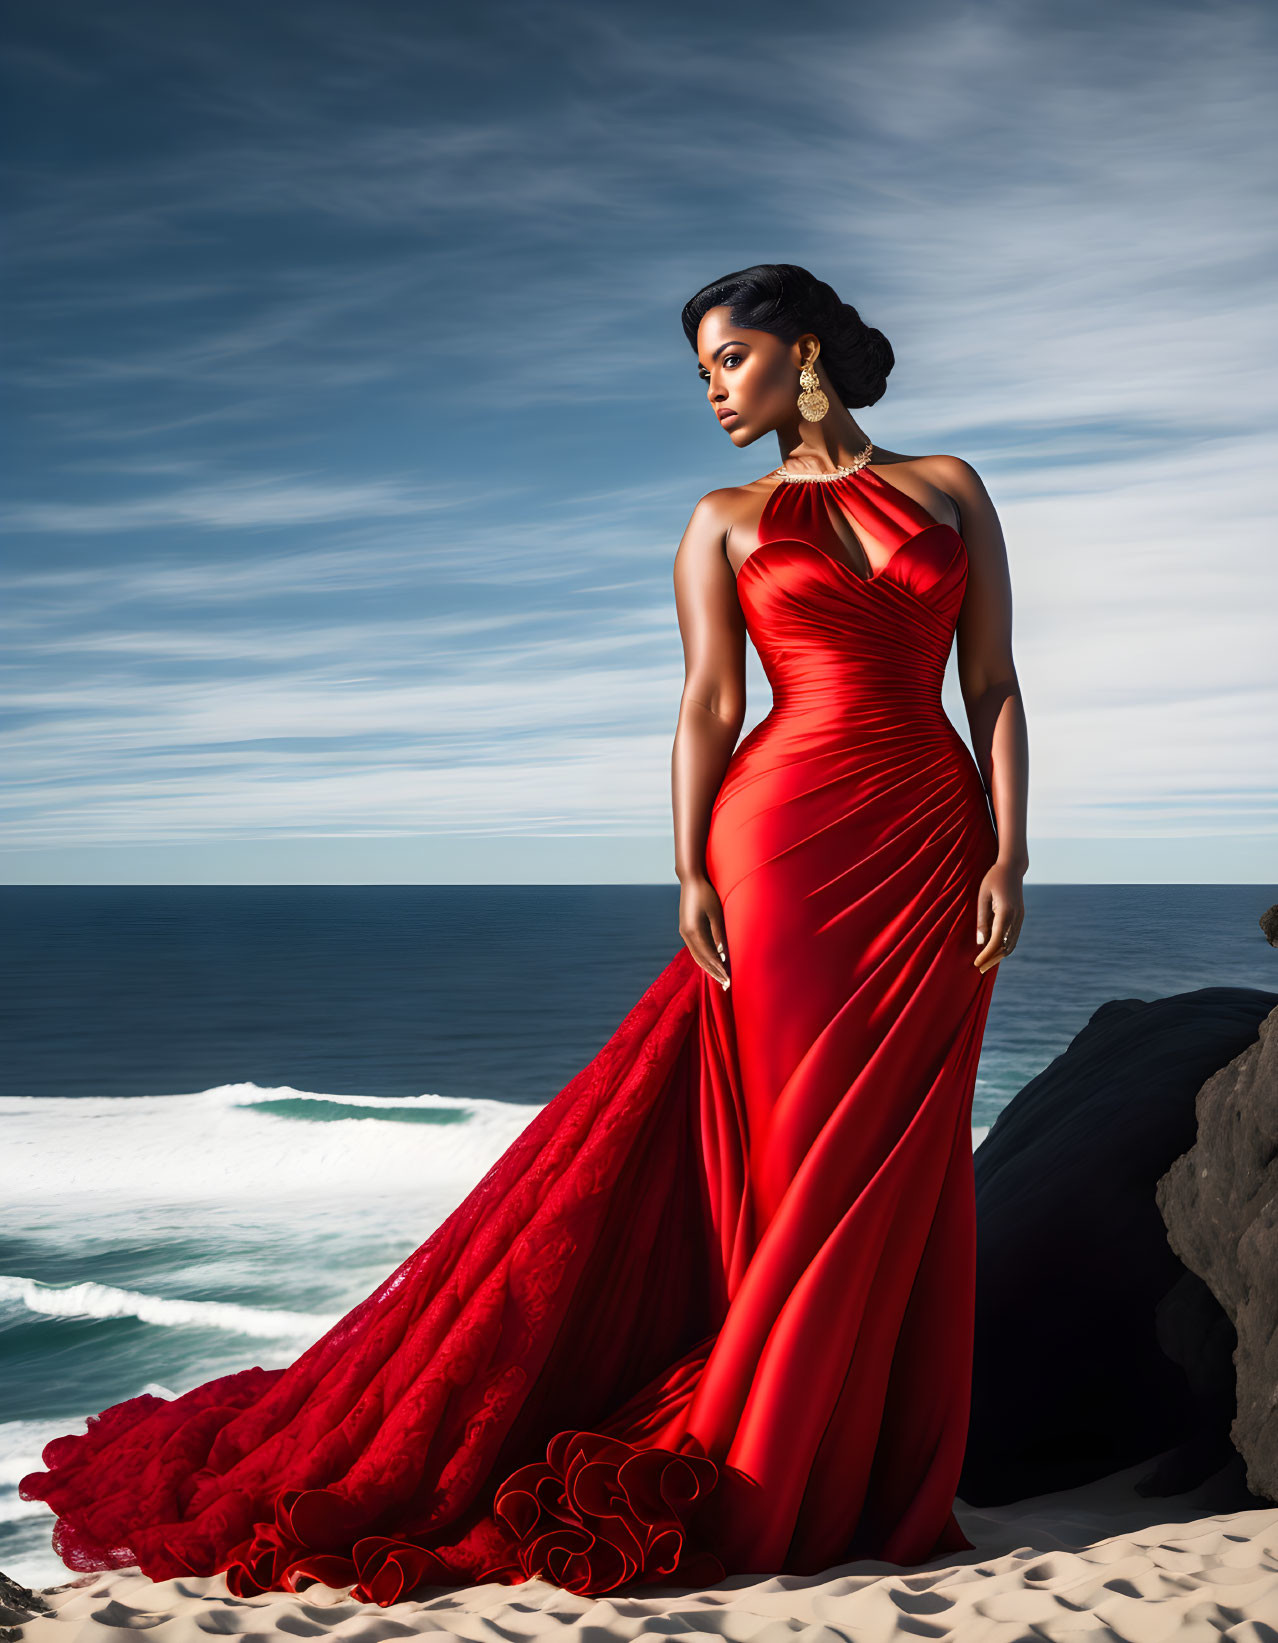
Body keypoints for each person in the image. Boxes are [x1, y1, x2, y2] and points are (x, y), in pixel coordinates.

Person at [21, 263, 1029, 1605]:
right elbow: (708, 708)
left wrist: (1014, 851)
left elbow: (994, 683)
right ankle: (776, 1465)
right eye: (700, 374)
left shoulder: (949, 486)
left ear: (798, 353)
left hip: (927, 841)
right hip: (777, 845)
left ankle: (865, 1468)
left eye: (725, 360)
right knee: (801, 1156)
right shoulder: (720, 521)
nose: (712, 391)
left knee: (903, 1155)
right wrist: (686, 869)